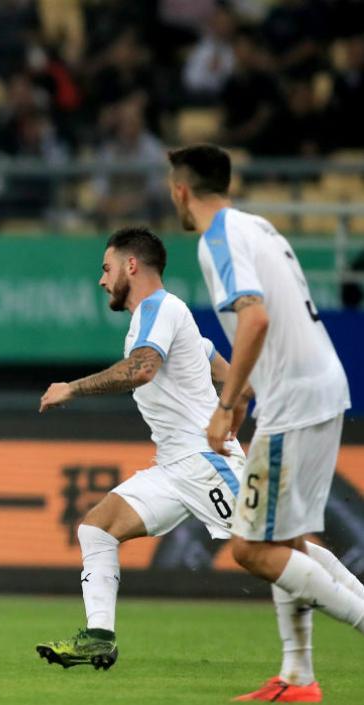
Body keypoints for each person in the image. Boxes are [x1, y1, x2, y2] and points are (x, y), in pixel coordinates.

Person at [167, 144, 362, 702]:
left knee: (251, 549)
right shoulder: (259, 227)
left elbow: (255, 319)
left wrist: (226, 401)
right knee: (285, 541)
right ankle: (298, 677)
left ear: (181, 190)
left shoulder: (218, 239)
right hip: (321, 386)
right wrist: (246, 390)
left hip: (295, 400)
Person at [36, 226, 246, 670]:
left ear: (131, 265)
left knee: (272, 550)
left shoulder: (159, 309)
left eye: (106, 268)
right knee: (97, 528)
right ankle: (99, 637)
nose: (101, 280)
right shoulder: (166, 320)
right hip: (174, 469)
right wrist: (233, 410)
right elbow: (230, 378)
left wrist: (72, 388)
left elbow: (142, 369)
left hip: (204, 462)